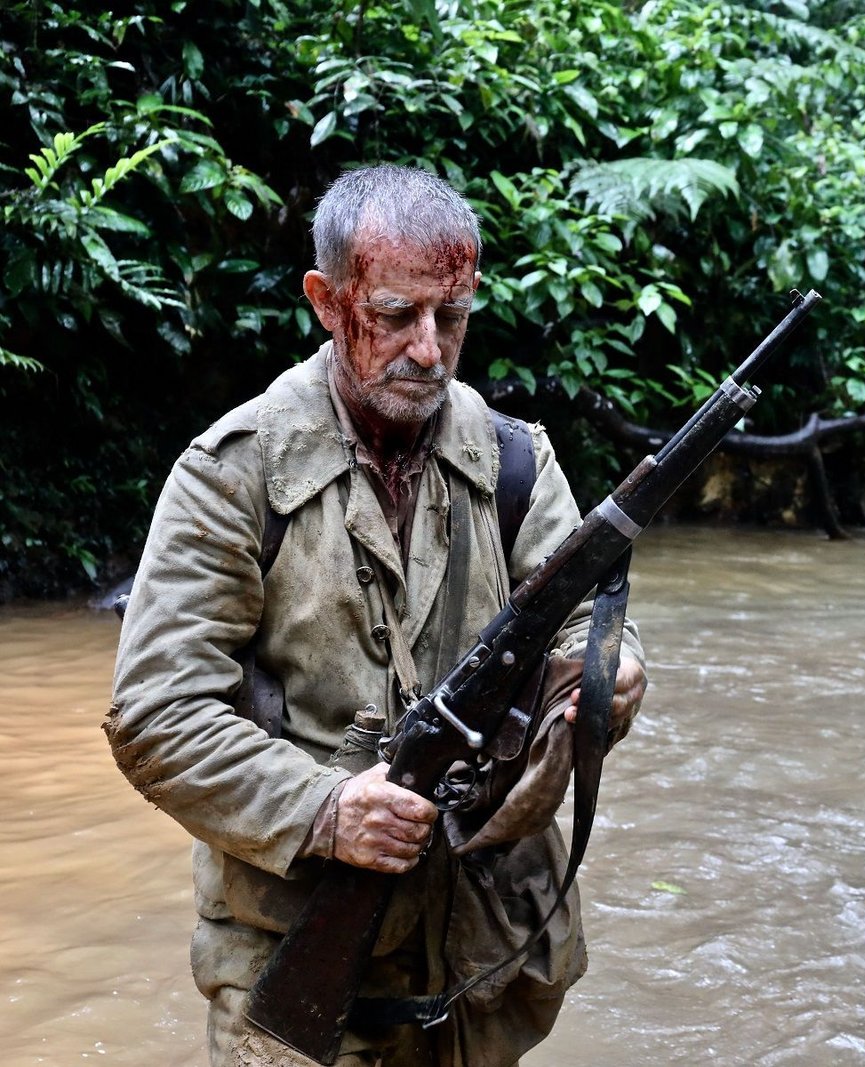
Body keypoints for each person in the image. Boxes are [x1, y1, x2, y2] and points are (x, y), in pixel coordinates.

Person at [106, 164, 647, 1066]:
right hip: (298, 954)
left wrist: (605, 677)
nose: (430, 349)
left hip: (479, 964)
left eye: (454, 315)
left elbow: (593, 626)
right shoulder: (232, 477)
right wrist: (325, 808)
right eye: (396, 316)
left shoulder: (516, 465)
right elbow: (156, 716)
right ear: (327, 300)